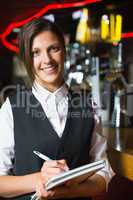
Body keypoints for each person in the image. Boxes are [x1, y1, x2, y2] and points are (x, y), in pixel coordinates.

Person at [0, 18, 114, 200]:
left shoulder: (89, 105)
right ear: (27, 59)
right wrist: (41, 179)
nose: (47, 60)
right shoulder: (10, 108)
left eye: (53, 49)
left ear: (64, 51)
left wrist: (68, 191)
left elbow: (103, 173)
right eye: (36, 52)